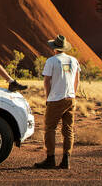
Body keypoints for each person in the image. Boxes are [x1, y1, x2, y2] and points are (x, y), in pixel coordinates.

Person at [33, 34, 80, 170]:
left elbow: (47, 81)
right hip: (70, 99)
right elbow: (77, 79)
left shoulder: (51, 61)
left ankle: (50, 159)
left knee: (50, 128)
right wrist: (73, 95)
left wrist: (48, 97)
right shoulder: (73, 60)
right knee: (68, 130)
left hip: (55, 99)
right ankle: (66, 160)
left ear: (54, 48)